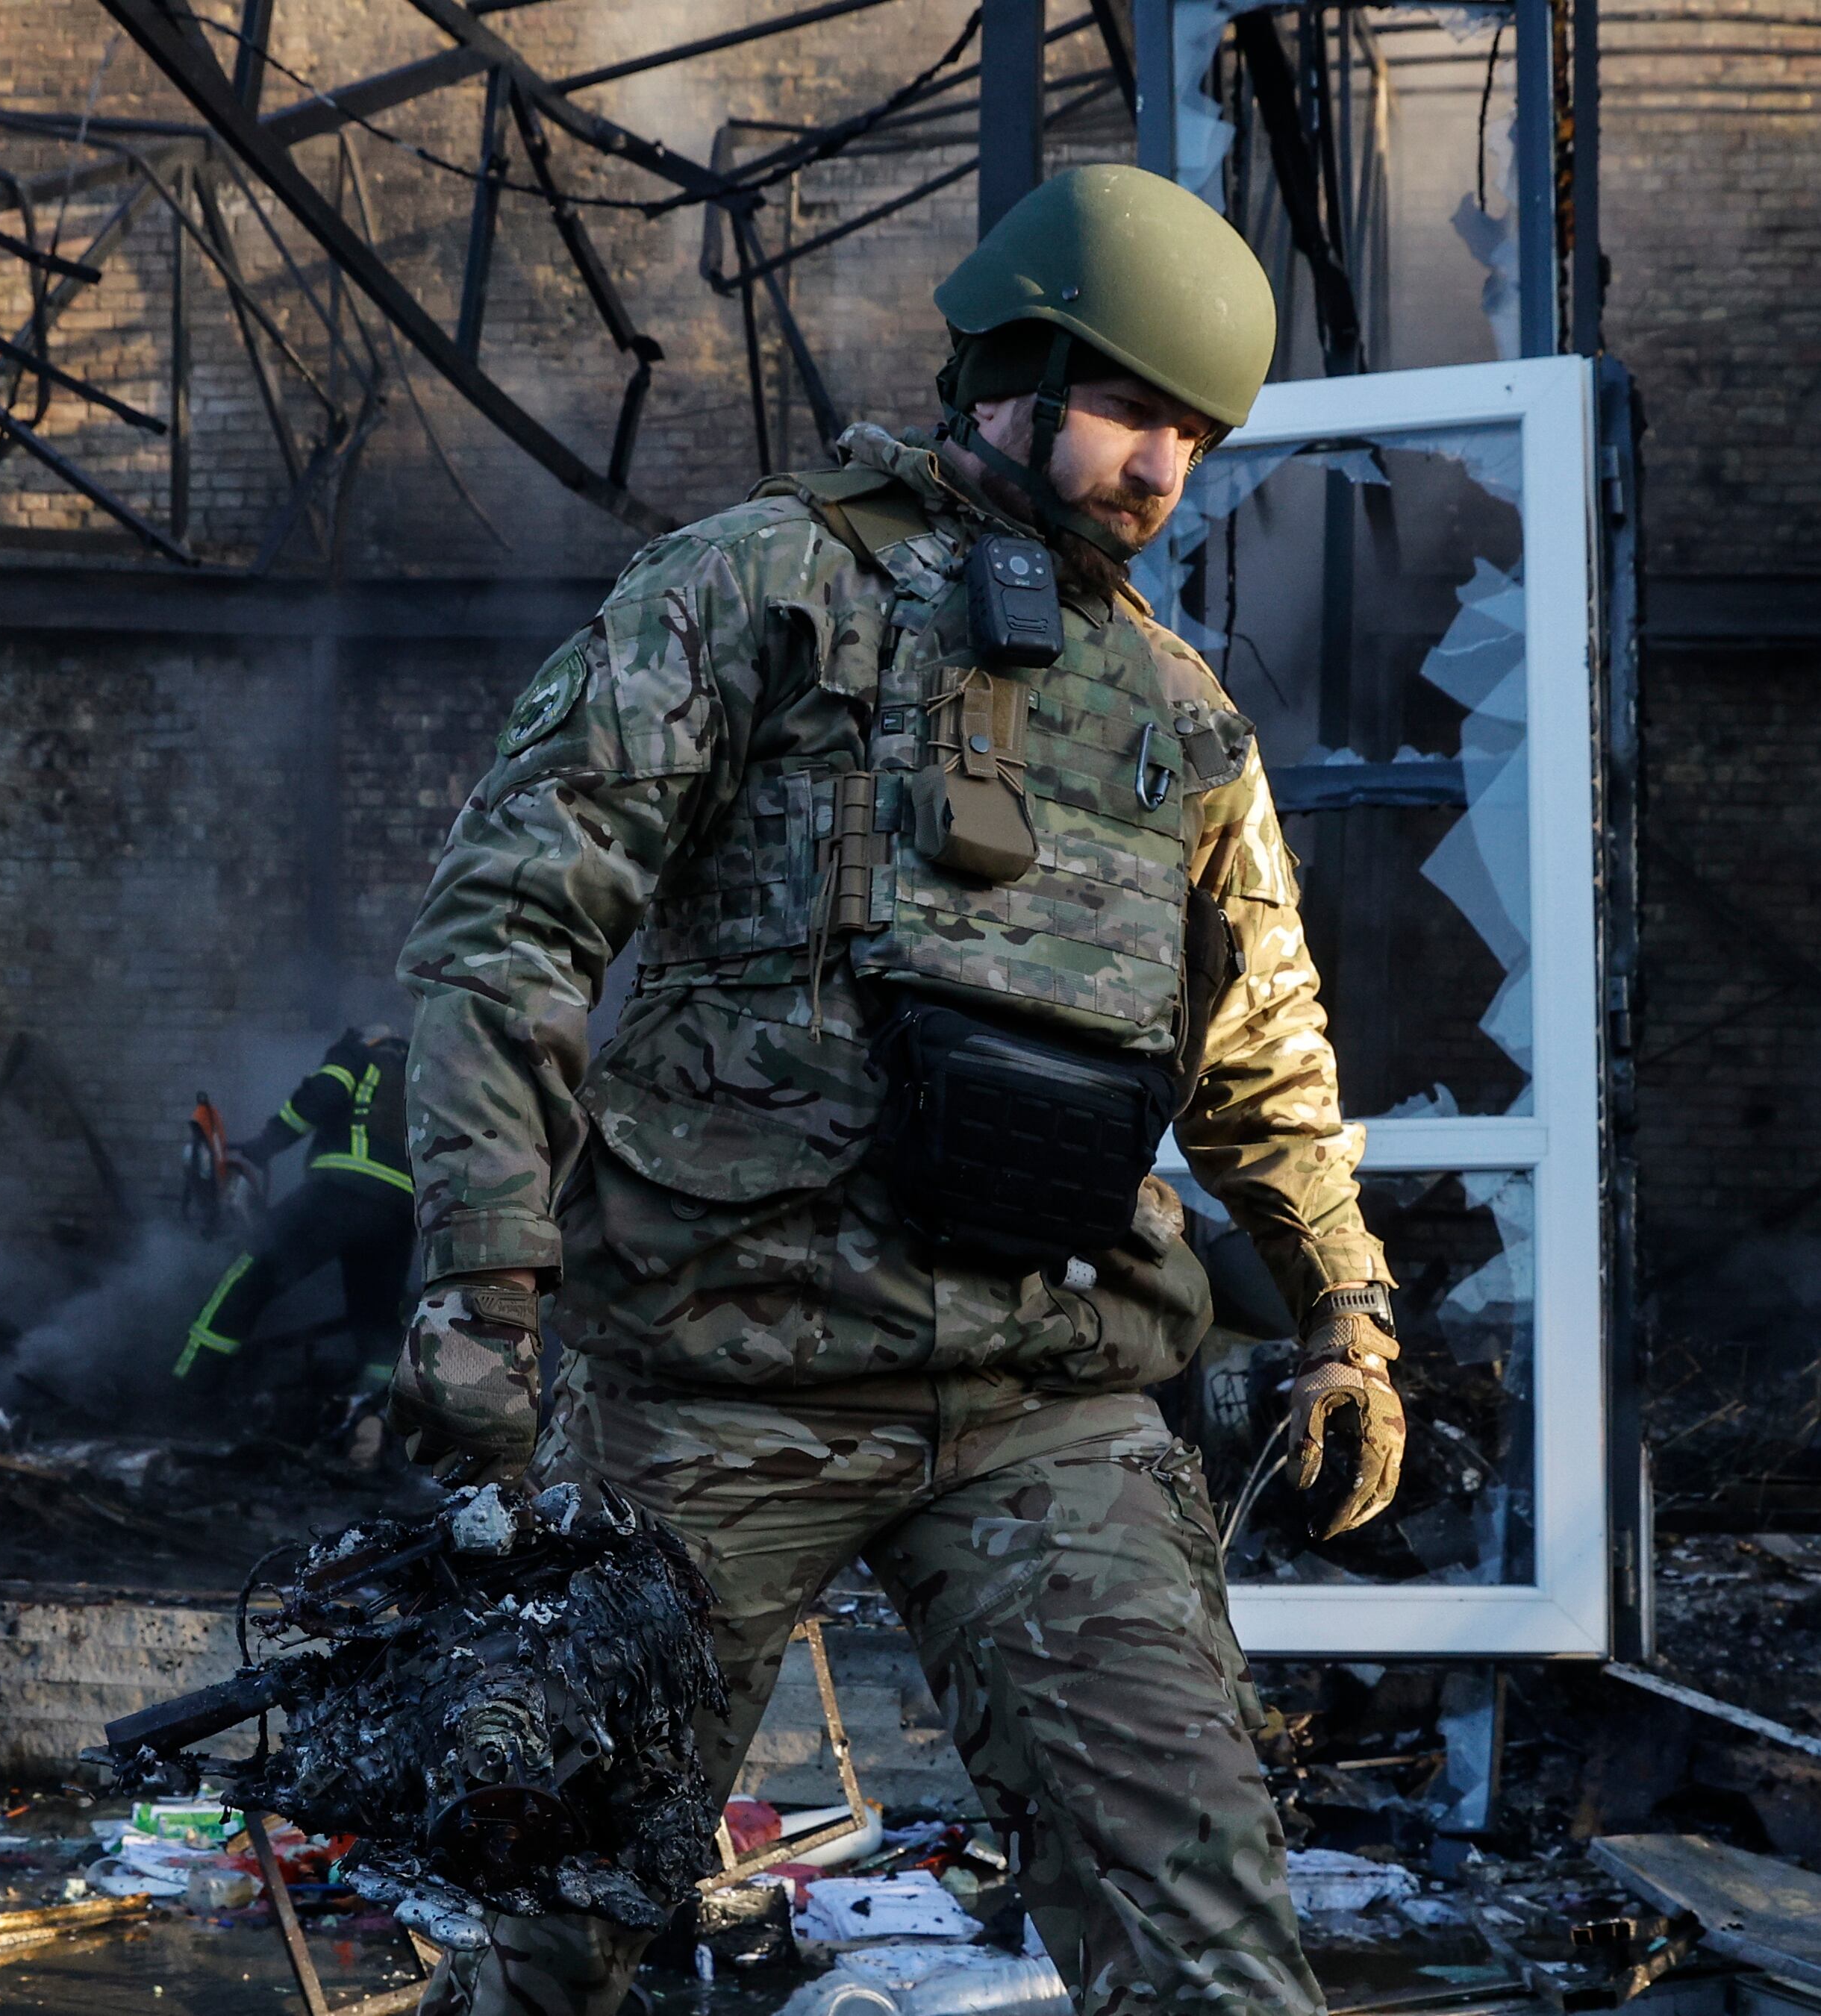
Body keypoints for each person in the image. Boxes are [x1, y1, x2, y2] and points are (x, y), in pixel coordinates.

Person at [388, 164, 1405, 2016]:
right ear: (1003, 372)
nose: (1159, 471)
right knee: (546, 1920)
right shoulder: (753, 589)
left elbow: (1262, 1046)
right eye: (1126, 407)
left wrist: (1347, 1310)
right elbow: (508, 922)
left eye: (1191, 432)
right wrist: (479, 1276)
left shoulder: (1180, 713)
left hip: (1047, 1400)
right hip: (716, 1381)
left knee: (1209, 1939)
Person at [175, 1026, 413, 1452]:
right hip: (399, 1213)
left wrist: (266, 1145)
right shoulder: (424, 1076)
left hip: (339, 1192)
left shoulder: (357, 1054)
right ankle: (377, 1422)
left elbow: (319, 1097)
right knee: (378, 1324)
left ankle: (191, 1396)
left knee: (249, 1277)